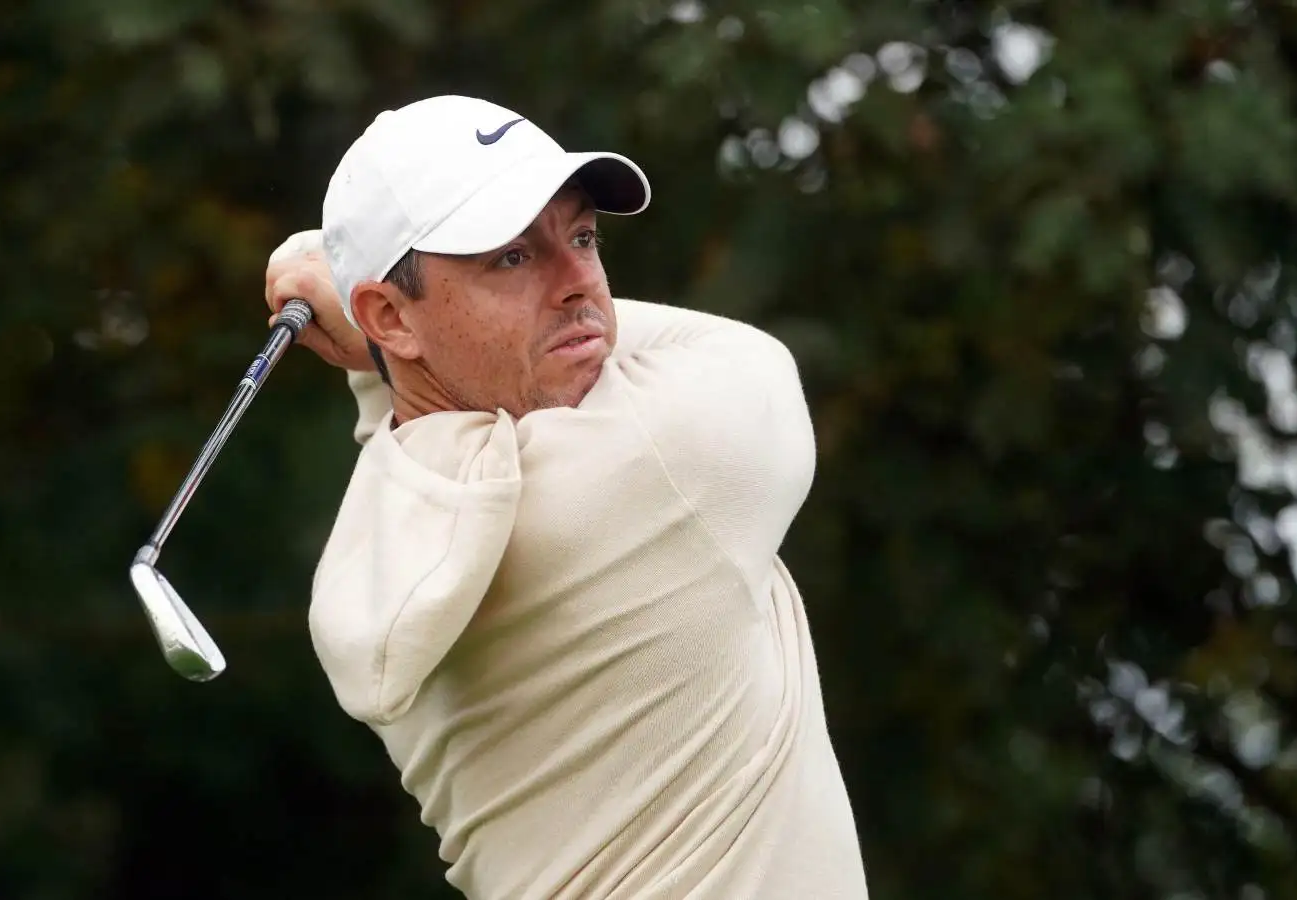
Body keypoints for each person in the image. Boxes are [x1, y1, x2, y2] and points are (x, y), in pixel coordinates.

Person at [265, 95, 868, 899]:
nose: (579, 282)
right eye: (512, 258)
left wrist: (374, 326)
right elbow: (746, 356)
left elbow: (409, 392)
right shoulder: (667, 462)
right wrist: (353, 312)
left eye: (583, 237)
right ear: (388, 316)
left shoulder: (407, 517)